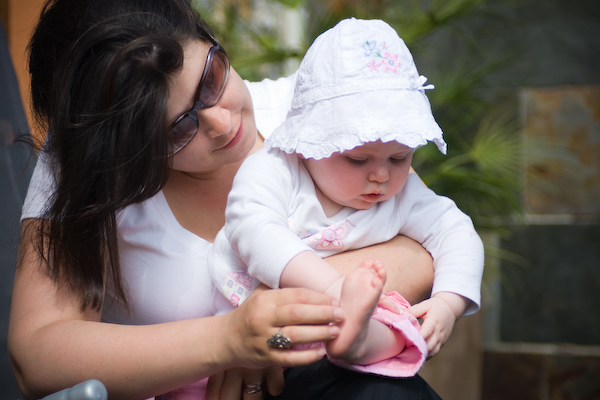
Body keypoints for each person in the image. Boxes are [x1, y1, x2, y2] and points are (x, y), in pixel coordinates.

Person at [7, 1, 441, 399]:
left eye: (211, 80)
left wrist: (277, 320)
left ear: (210, 40)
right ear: (122, 151)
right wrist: (228, 340)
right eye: (178, 127)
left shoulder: (316, 103)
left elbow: (429, 240)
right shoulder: (83, 168)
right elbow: (37, 356)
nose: (220, 122)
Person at [209, 17, 484, 375]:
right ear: (310, 142)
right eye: (357, 159)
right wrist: (333, 287)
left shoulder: (402, 195)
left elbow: (456, 231)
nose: (381, 175)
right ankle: (352, 330)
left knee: (397, 324)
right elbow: (253, 229)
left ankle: (355, 340)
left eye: (399, 158)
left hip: (350, 344)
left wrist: (448, 302)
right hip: (260, 334)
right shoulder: (275, 170)